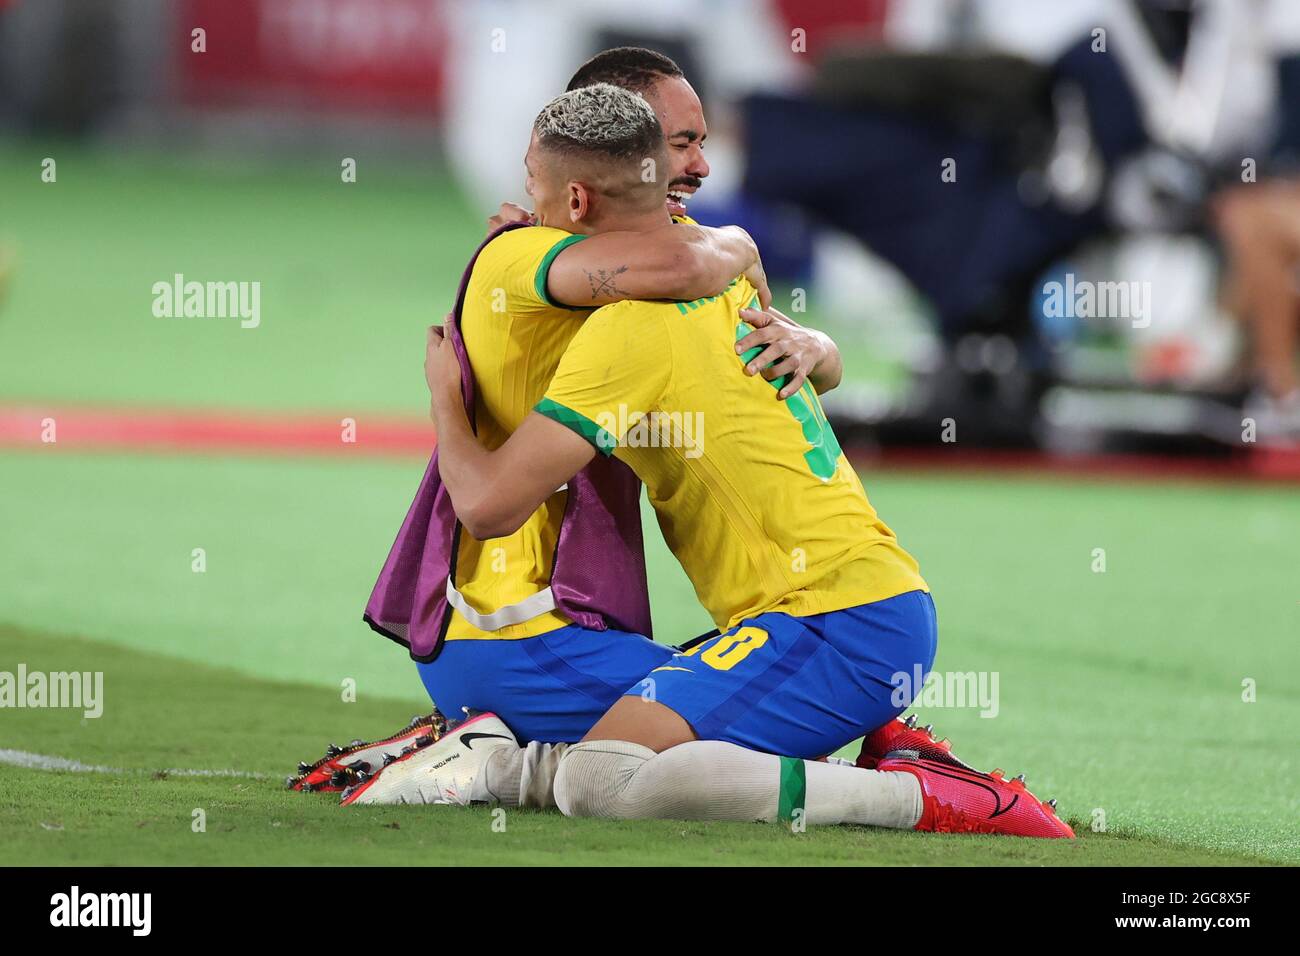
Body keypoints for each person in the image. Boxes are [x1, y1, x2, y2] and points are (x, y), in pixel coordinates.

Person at [348, 82, 1070, 839]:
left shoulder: (629, 325)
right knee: (647, 748)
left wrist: (442, 397)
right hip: (832, 609)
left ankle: (922, 798)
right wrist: (809, 333)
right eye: (681, 142)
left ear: (577, 202)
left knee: (605, 778)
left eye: (532, 181)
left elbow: (488, 507)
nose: (518, 202)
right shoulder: (713, 267)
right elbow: (770, 333)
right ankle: (487, 759)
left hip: (837, 619)